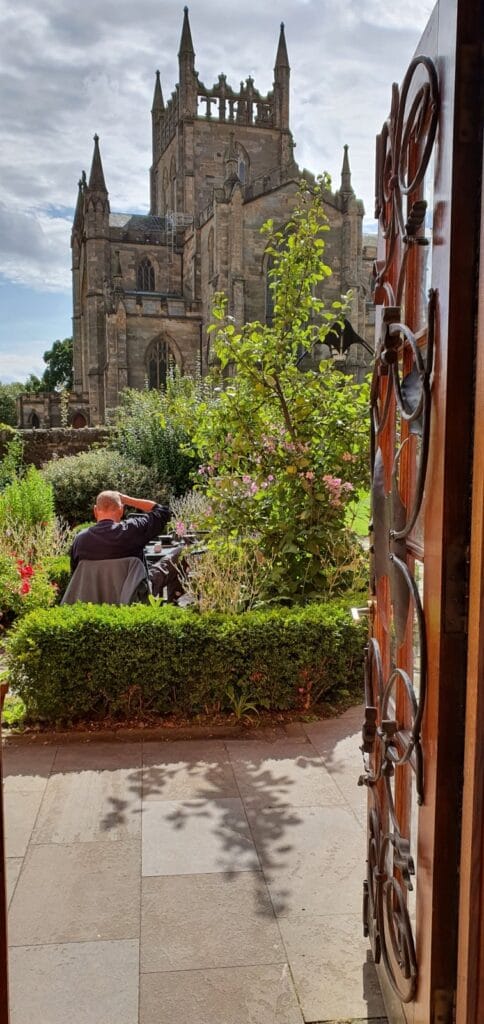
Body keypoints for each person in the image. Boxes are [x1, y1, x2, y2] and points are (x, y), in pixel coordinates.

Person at [70, 490, 185, 602]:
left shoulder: (80, 539)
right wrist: (125, 499)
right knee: (181, 552)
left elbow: (75, 575)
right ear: (121, 510)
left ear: (95, 511)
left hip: (95, 599)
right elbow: (163, 511)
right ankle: (172, 604)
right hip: (135, 596)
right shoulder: (132, 529)